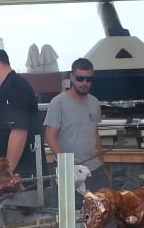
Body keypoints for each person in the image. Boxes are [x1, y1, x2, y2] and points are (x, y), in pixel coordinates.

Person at [0, 37, 46, 207]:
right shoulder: (4, 89)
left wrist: (6, 178)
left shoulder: (15, 88)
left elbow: (19, 132)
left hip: (20, 184)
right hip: (10, 184)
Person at [43, 57, 111, 206]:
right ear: (72, 77)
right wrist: (69, 168)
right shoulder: (58, 103)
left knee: (101, 215)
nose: (84, 83)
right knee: (70, 217)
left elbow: (95, 134)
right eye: (80, 78)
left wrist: (103, 165)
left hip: (95, 171)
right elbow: (50, 137)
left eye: (89, 79)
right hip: (69, 173)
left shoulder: (94, 102)